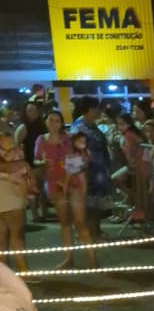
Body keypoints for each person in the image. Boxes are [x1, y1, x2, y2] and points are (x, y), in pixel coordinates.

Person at [35, 111, 95, 269]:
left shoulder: (70, 138)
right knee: (65, 222)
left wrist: (82, 162)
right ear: (46, 121)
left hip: (74, 181)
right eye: (50, 120)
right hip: (54, 183)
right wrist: (42, 162)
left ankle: (92, 259)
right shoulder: (41, 139)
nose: (53, 124)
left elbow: (85, 154)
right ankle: (69, 258)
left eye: (57, 120)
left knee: (80, 222)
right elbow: (36, 159)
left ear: (61, 123)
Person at [70, 98, 113, 240]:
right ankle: (88, 232)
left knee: (97, 202)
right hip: (88, 170)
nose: (99, 111)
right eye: (97, 108)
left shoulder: (91, 124)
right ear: (90, 109)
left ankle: (96, 230)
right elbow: (76, 150)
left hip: (98, 170)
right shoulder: (79, 127)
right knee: (88, 203)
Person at [0, 132, 30, 272]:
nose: (12, 145)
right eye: (8, 142)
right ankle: (23, 270)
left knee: (2, 238)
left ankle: (5, 274)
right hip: (12, 198)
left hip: (11, 197)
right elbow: (17, 167)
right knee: (17, 236)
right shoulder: (12, 157)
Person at [15, 101, 47, 221]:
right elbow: (16, 146)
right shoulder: (23, 127)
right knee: (33, 188)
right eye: (30, 110)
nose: (33, 113)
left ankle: (44, 211)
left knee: (43, 188)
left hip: (42, 161)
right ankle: (34, 214)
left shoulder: (43, 126)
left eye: (35, 110)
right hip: (29, 162)